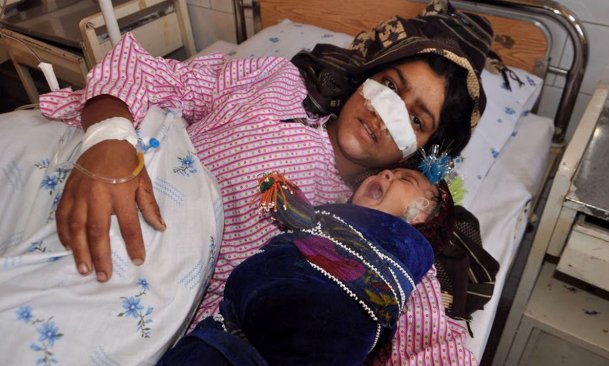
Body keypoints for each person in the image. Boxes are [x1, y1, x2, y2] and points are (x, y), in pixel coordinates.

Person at [37, 0, 492, 363]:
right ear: (365, 76)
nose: (386, 112)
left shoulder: (375, 225)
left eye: (415, 118)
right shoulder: (278, 82)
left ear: (423, 153)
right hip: (82, 190)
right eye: (390, 85)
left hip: (137, 307)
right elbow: (154, 75)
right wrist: (109, 138)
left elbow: (426, 330)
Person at [158, 167, 454, 365]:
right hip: (223, 338)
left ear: (421, 216)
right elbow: (302, 219)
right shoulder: (326, 219)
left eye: (405, 180)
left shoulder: (405, 257)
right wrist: (279, 191)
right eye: (386, 171)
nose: (387, 173)